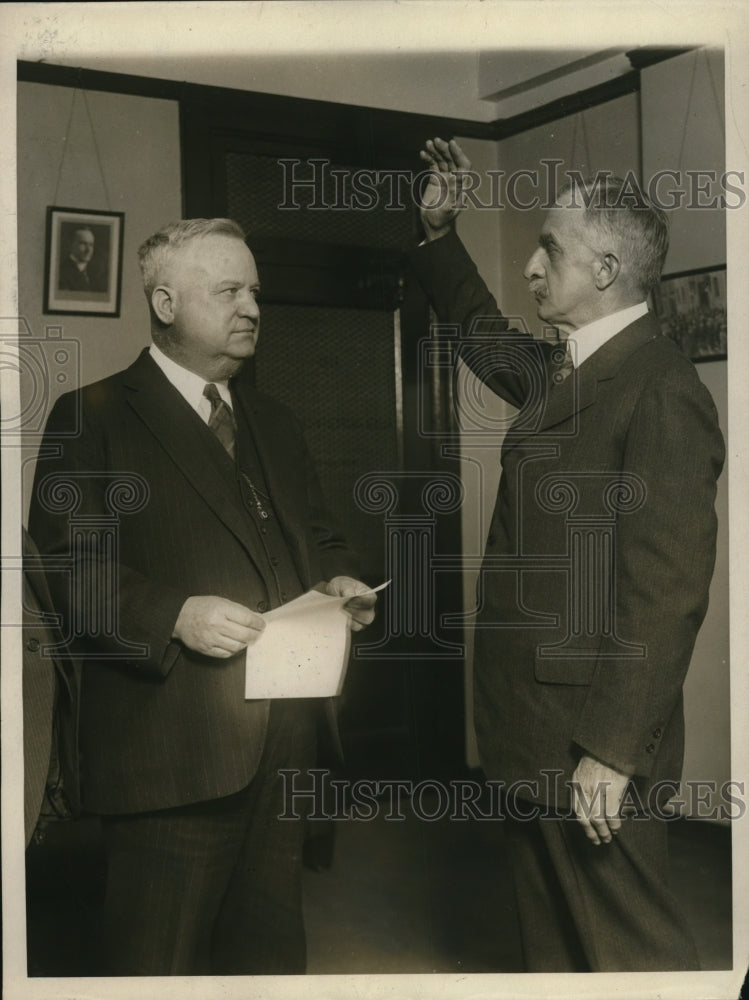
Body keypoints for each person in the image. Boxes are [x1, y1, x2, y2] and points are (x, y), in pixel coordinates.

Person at [29, 217, 377, 976]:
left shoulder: (276, 422)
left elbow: (318, 537)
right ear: (164, 302)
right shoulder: (91, 417)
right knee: (157, 962)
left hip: (286, 748)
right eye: (228, 291)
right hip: (169, 755)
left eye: (254, 291)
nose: (251, 307)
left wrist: (338, 579)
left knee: (268, 959)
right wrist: (174, 615)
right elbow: (64, 565)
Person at [410, 138, 724, 972]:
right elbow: (481, 333)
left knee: (629, 952)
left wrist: (614, 753)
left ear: (607, 267)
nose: (531, 267)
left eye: (548, 248)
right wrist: (439, 235)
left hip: (591, 742)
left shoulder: (660, 389)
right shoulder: (563, 369)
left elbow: (665, 593)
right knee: (555, 952)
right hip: (532, 732)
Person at [58, 227, 104, 292]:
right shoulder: (60, 274)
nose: (88, 250)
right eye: (83, 244)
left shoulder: (96, 274)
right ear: (72, 244)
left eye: (91, 245)